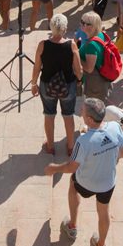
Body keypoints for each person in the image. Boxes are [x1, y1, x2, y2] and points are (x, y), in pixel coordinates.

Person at [45, 97, 123, 246]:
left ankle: (72, 226)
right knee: (103, 212)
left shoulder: (83, 141)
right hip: (107, 183)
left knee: (72, 185)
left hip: (85, 182)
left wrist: (55, 168)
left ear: (89, 119)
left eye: (82, 111)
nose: (81, 113)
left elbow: (71, 167)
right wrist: (110, 159)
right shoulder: (114, 127)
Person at [31, 13, 83, 155]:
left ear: (51, 27)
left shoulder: (43, 45)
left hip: (47, 85)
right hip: (68, 85)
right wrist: (79, 80)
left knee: (49, 115)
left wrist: (33, 84)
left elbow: (37, 67)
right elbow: (79, 70)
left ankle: (50, 145)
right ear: (65, 28)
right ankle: (71, 146)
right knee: (68, 115)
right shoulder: (71, 45)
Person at [78, 12, 113, 102]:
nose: (82, 24)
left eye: (87, 23)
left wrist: (77, 57)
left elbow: (89, 69)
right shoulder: (100, 34)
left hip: (94, 83)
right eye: (82, 21)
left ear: (94, 26)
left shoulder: (91, 45)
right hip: (101, 79)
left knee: (93, 110)